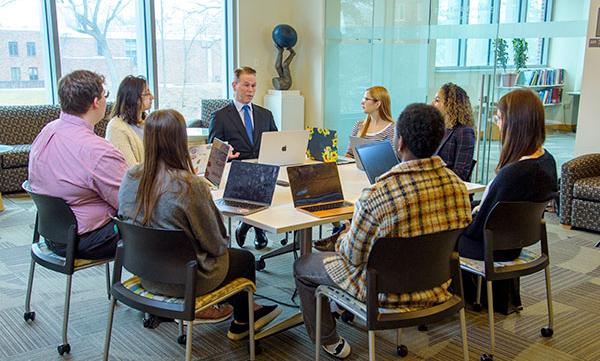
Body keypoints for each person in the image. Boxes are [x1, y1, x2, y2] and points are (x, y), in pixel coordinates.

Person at [294, 103, 472, 359]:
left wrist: (346, 233)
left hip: (383, 294)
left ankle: (328, 339)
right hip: (437, 287)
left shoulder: (378, 194)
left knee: (304, 264)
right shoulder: (458, 187)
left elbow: (353, 257)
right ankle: (333, 307)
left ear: (398, 143)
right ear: (440, 140)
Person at [118, 109, 281, 334]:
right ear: (180, 141)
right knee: (243, 259)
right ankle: (244, 320)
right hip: (186, 279)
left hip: (145, 273)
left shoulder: (130, 177)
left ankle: (241, 309)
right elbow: (217, 244)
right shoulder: (189, 186)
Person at [458, 89, 558, 313]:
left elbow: (478, 229)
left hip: (492, 247)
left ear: (515, 123)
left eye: (499, 118)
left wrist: (460, 218)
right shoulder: (546, 160)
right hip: (517, 239)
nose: (497, 124)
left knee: (435, 236)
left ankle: (442, 302)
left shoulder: (514, 174)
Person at [28, 70, 129, 259]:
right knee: (163, 226)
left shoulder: (47, 130)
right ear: (96, 102)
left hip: (51, 233)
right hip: (85, 240)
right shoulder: (96, 151)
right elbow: (130, 202)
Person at [208, 66, 278, 250]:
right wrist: (225, 152)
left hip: (263, 169)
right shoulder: (220, 117)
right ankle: (257, 229)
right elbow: (213, 152)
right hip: (237, 172)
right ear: (234, 85)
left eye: (254, 86)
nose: (251, 90)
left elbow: (276, 142)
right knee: (254, 189)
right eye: (246, 85)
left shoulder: (265, 114)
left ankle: (247, 225)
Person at [106, 75, 154, 167]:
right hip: (139, 180)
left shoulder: (148, 121)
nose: (152, 97)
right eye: (147, 93)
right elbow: (131, 172)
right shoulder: (116, 128)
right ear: (134, 98)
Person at [432, 83, 476, 181]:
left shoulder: (464, 132)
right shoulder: (441, 129)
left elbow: (461, 173)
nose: (434, 104)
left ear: (450, 104)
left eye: (437, 100)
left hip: (449, 188)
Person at [344, 86, 395, 157]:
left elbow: (391, 160)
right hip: (354, 168)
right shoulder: (359, 125)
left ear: (377, 104)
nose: (362, 102)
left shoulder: (392, 129)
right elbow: (349, 154)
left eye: (366, 99)